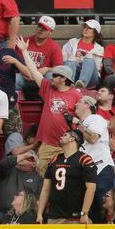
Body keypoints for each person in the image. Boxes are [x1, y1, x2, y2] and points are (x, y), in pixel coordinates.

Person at [15, 36, 83, 175]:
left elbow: (84, 120)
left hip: (67, 145)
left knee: (64, 182)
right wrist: (24, 52)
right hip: (46, 145)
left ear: (64, 79)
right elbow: (34, 71)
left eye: (55, 75)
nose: (51, 77)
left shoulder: (77, 95)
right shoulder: (48, 88)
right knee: (41, 179)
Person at [36, 130, 97, 224]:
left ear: (73, 138)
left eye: (65, 135)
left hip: (76, 217)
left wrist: (84, 213)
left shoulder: (84, 159)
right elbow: (46, 189)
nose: (61, 136)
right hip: (54, 216)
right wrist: (39, 213)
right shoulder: (54, 159)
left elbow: (91, 188)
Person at [75, 96, 115, 224]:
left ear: (87, 105)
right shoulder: (84, 123)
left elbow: (93, 138)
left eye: (79, 102)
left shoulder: (95, 118)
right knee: (90, 207)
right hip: (88, 169)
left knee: (100, 204)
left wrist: (79, 125)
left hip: (101, 167)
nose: (76, 104)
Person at [15, 16, 63, 92]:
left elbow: (59, 68)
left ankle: (49, 100)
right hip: (24, 76)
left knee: (50, 76)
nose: (40, 29)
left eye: (44, 28)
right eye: (39, 26)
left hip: (42, 79)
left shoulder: (54, 46)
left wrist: (47, 69)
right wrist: (27, 72)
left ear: (50, 32)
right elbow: (18, 63)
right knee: (15, 79)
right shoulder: (24, 42)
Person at [0, 151, 41, 217]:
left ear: (34, 164)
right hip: (0, 212)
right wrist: (24, 156)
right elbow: (3, 164)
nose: (21, 158)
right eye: (20, 156)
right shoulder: (8, 170)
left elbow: (38, 201)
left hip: (23, 216)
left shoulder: (38, 179)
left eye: (27, 158)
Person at [61, 20, 105, 89]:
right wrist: (76, 59)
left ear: (95, 32)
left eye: (89, 28)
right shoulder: (72, 42)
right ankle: (69, 84)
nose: (86, 29)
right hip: (72, 74)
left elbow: (97, 68)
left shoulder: (99, 49)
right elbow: (64, 58)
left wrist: (80, 60)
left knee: (89, 59)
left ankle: (81, 84)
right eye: (85, 27)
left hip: (91, 78)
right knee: (71, 58)